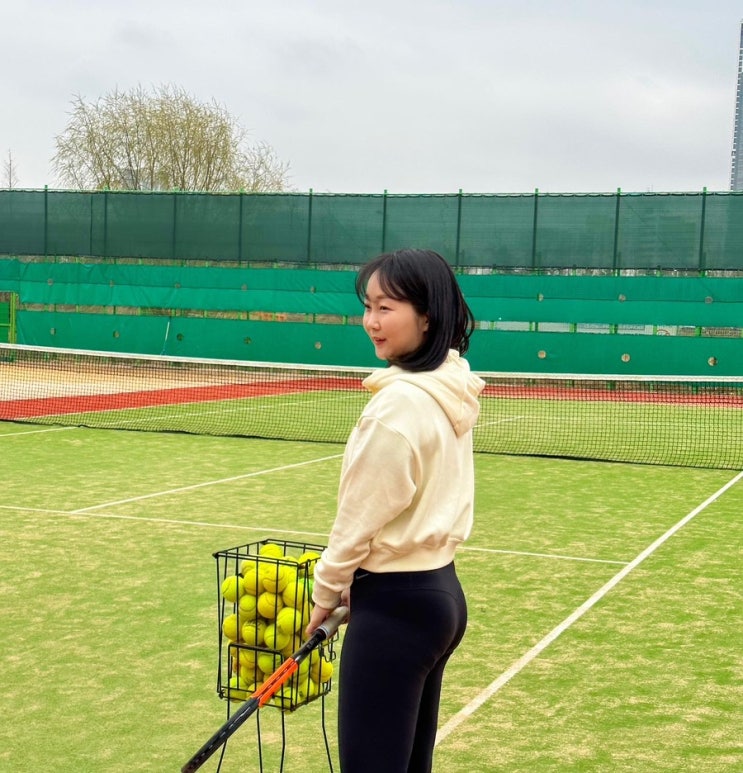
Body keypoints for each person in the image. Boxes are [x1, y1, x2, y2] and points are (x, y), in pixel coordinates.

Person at [306, 248, 485, 773]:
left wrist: (325, 592)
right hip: (439, 597)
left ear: (427, 316)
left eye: (386, 307)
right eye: (367, 306)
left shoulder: (399, 404)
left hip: (396, 611)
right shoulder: (450, 383)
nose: (371, 321)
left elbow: (358, 518)